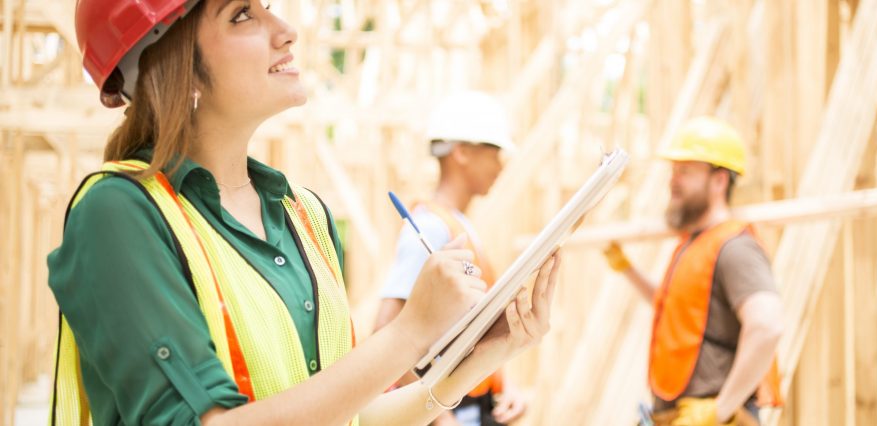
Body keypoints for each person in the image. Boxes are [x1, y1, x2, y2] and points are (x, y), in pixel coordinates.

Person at [47, 1, 560, 425]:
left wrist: (488, 355)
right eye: (242, 15)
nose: (286, 31)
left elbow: (346, 417)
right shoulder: (118, 214)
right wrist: (408, 333)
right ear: (175, 64)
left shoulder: (303, 213)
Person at [602, 117, 783, 425]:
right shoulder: (695, 242)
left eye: (685, 171)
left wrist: (720, 411)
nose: (674, 180)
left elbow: (766, 326)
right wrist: (627, 268)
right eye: (673, 170)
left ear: (719, 180)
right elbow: (674, 307)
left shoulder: (735, 247)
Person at [373, 91, 527, 426]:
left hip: (474, 405)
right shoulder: (431, 228)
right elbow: (386, 328)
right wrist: (441, 418)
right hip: (451, 410)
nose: (500, 165)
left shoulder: (459, 225)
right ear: (462, 153)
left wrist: (506, 386)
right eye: (494, 152)